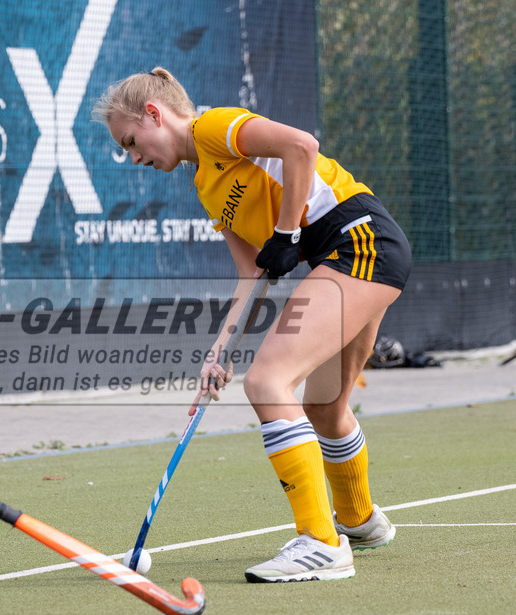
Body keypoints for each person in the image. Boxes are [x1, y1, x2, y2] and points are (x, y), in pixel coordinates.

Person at [93, 68, 411, 583]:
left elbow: (301, 147)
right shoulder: (206, 185)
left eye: (131, 141)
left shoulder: (215, 128)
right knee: (324, 409)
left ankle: (320, 544)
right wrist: (219, 350)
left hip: (359, 243)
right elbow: (252, 273)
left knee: (268, 382)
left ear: (154, 113)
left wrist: (287, 233)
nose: (134, 157)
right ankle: (359, 521)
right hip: (348, 257)